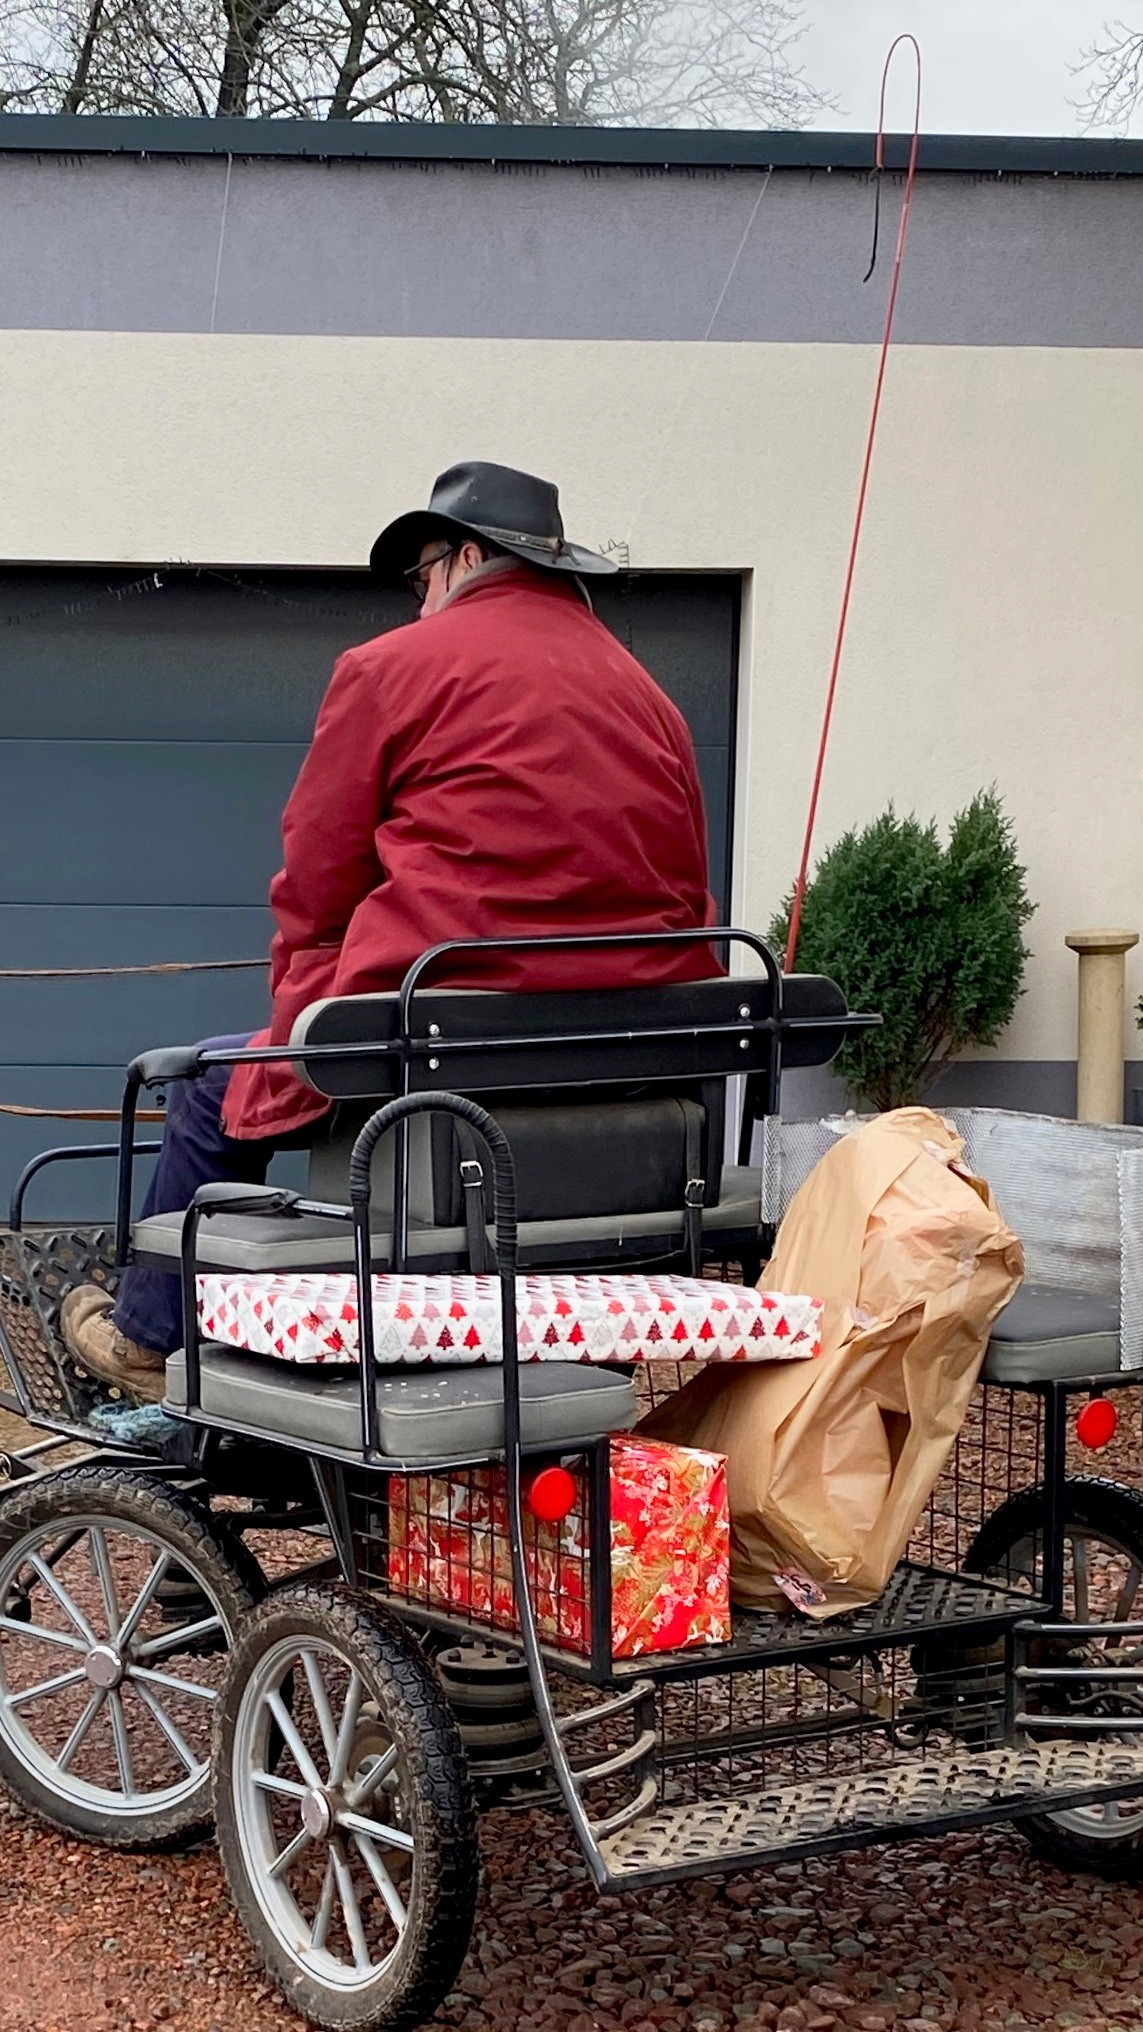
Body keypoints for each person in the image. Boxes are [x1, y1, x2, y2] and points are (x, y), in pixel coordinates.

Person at [62, 460, 722, 1400]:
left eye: (420, 579)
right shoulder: (646, 693)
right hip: (616, 1054)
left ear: (463, 559)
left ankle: (150, 1339)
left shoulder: (390, 669)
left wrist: (301, 1025)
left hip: (439, 1043)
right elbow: (682, 882)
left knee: (208, 1087)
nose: (419, 603)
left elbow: (319, 876)